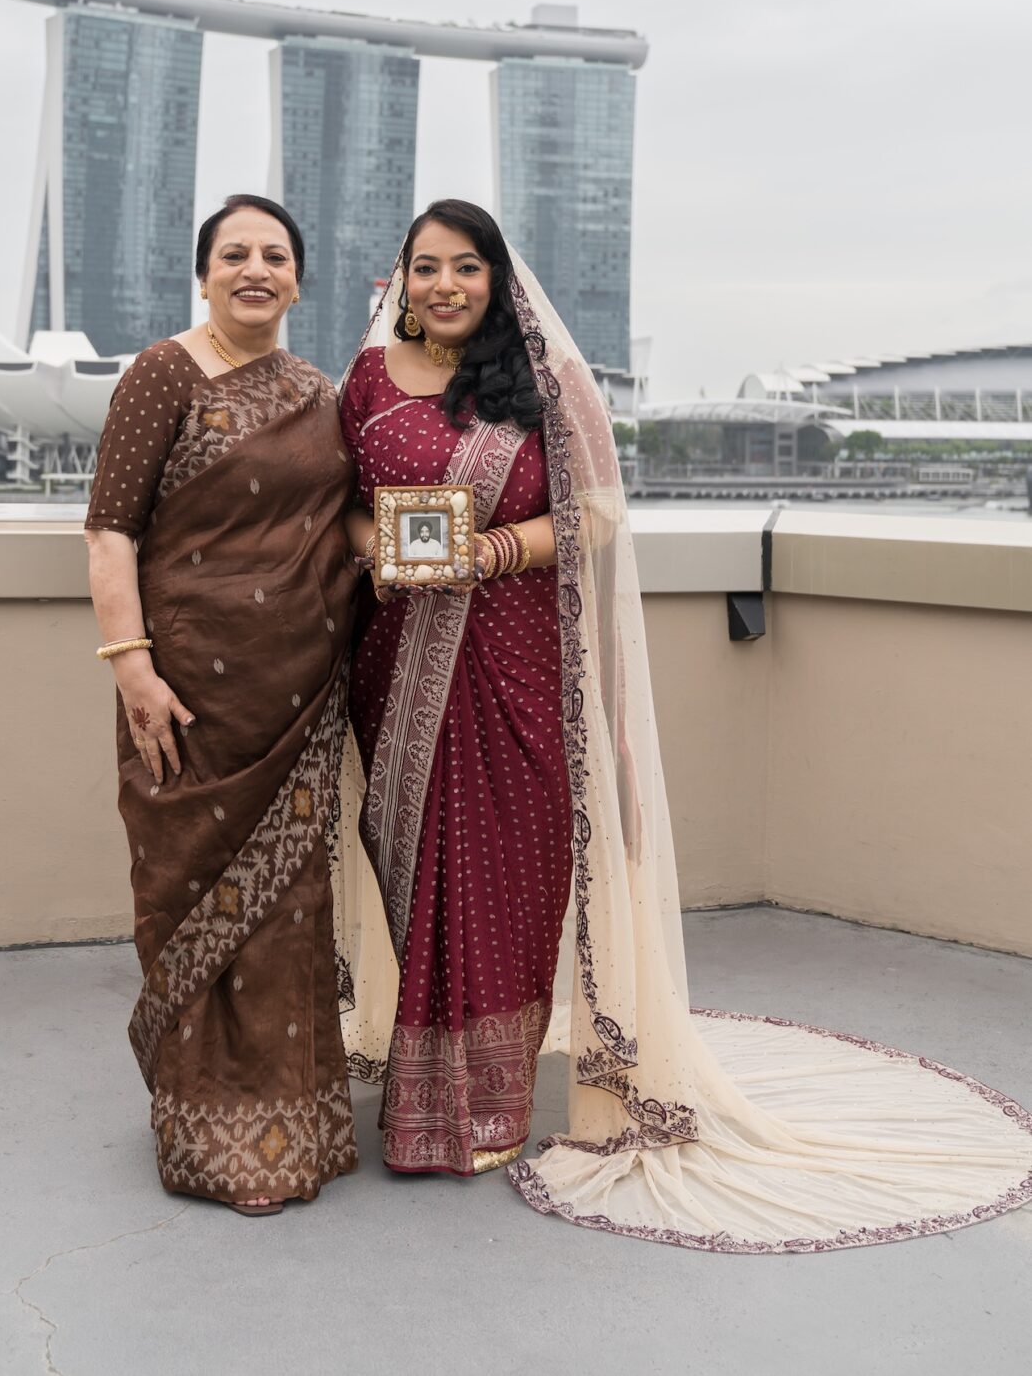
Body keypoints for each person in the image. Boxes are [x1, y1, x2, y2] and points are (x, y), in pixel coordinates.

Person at [333, 198, 1032, 1247]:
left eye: (465, 266)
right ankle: (427, 1082)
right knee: (416, 862)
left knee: (509, 869)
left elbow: (598, 511)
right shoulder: (367, 383)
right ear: (401, 280)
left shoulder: (544, 380)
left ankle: (481, 1107)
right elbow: (342, 502)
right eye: (425, 266)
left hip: (517, 663)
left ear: (497, 280)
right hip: (397, 665)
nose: (444, 285)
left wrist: (491, 552)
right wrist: (380, 548)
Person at [85, 194, 358, 1216]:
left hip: (296, 694)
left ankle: (294, 1129)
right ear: (203, 275)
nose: (255, 269)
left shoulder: (318, 392)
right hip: (190, 696)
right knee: (189, 897)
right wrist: (133, 667)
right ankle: (210, 1138)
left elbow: (345, 525)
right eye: (234, 253)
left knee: (288, 911)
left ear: (298, 280)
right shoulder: (163, 373)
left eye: (274, 255)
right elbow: (110, 530)